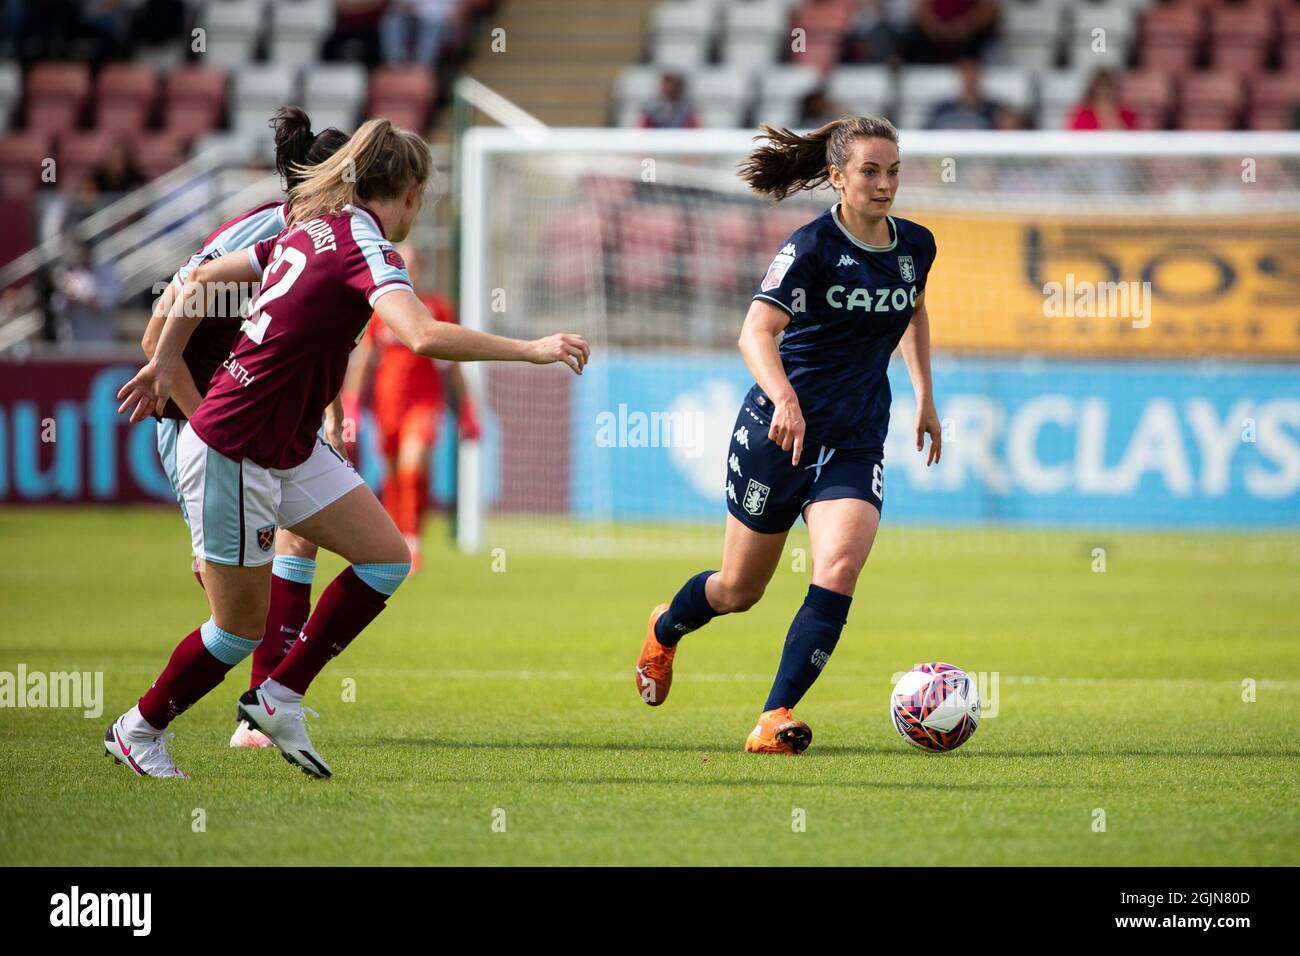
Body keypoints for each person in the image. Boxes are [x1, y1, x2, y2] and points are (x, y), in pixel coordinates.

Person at [107, 118, 589, 779]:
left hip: (286, 439)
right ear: (413, 192)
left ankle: (277, 697)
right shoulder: (363, 244)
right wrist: (528, 349)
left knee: (386, 558)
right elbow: (419, 335)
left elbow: (201, 285)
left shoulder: (308, 231)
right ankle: (140, 728)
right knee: (238, 627)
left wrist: (165, 360)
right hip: (236, 442)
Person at [635, 116, 942, 754]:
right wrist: (784, 398)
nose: (885, 185)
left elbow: (911, 306)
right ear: (837, 177)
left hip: (856, 438)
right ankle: (665, 626)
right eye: (870, 171)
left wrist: (925, 397)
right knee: (738, 589)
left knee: (840, 564)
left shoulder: (917, 244)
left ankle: (774, 716)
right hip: (779, 435)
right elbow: (754, 332)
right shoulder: (808, 248)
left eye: (893, 172)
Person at [141, 107, 350, 750]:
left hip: (259, 424)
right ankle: (144, 728)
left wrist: (331, 414)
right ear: (332, 187)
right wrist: (213, 433)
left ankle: (263, 709)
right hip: (199, 423)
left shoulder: (328, 245)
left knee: (305, 543)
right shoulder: (253, 238)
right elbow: (158, 342)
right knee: (236, 615)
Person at [342, 241, 479, 571]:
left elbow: (454, 364)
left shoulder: (437, 308)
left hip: (424, 402)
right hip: (387, 405)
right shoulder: (382, 308)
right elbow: (364, 360)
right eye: (405, 261)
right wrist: (350, 404)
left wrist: (467, 409)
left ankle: (413, 540)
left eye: (415, 262)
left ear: (423, 267)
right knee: (391, 472)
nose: (410, 267)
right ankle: (397, 541)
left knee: (412, 464)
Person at [1065, 70, 1138, 131]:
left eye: (1108, 89)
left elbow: (1136, 138)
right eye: (1101, 90)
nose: (1104, 92)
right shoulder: (1082, 113)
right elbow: (1073, 138)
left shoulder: (1126, 113)